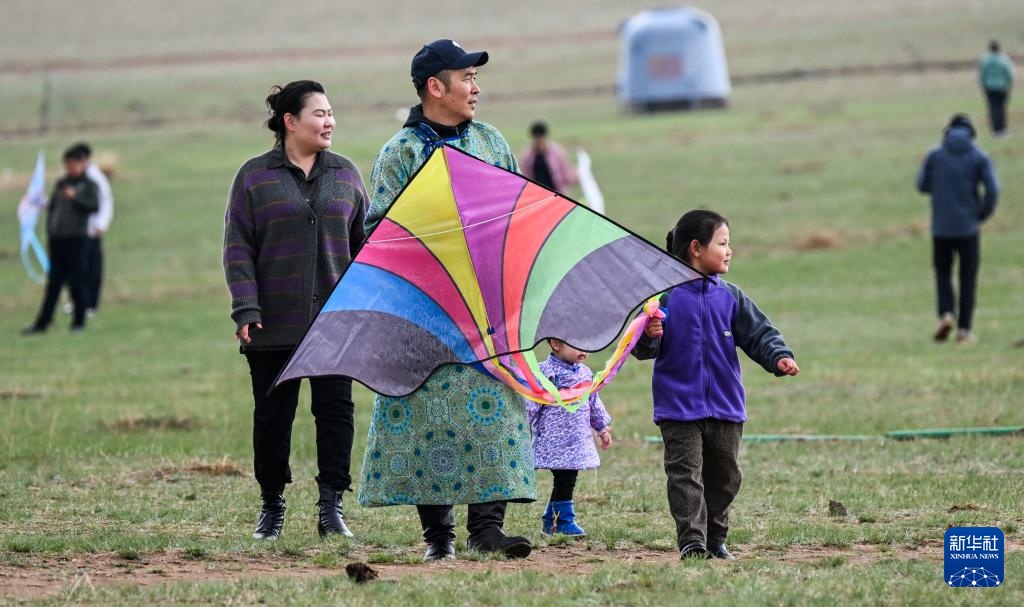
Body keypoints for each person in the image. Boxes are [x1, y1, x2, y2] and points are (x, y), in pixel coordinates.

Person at [358, 39, 535, 562]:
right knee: (425, 415)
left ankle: (488, 529)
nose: (476, 88)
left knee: (497, 411)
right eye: (466, 78)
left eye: (476, 79)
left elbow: (519, 210)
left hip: (489, 305)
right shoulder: (400, 154)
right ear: (436, 87)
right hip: (424, 309)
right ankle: (439, 537)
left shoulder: (491, 141)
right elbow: (379, 231)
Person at [223, 80, 367, 541]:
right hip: (272, 320)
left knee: (335, 414)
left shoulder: (346, 174)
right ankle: (271, 506)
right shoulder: (254, 177)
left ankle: (331, 507)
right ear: (290, 122)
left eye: (330, 114)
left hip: (334, 321)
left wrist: (364, 308)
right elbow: (237, 247)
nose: (329, 122)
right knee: (272, 418)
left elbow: (364, 247)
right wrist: (246, 307)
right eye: (319, 114)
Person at [632, 210, 799, 560]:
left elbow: (759, 334)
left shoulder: (732, 297)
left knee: (726, 477)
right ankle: (692, 541)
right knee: (685, 475)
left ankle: (715, 539)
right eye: (722, 243)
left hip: (725, 405)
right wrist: (649, 336)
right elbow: (642, 349)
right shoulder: (664, 299)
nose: (729, 250)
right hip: (678, 407)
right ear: (696, 248)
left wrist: (777, 356)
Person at [916, 114, 999, 344]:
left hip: (941, 228)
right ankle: (964, 330)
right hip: (968, 228)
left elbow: (921, 185)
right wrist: (981, 214)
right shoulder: (979, 156)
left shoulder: (935, 155)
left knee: (943, 274)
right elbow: (993, 190)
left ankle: (946, 314)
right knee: (967, 278)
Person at [526, 339, 612, 537]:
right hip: (554, 440)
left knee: (565, 479)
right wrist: (522, 424)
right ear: (556, 344)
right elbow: (532, 402)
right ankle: (564, 521)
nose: (584, 350)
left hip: (576, 439)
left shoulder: (585, 372)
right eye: (577, 345)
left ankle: (551, 521)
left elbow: (593, 402)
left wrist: (602, 428)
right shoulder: (545, 373)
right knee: (565, 479)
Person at [22, 145, 99, 334]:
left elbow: (93, 206)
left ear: (81, 164)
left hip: (77, 240)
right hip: (58, 240)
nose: (70, 168)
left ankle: (78, 322)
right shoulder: (61, 184)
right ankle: (42, 324)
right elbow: (54, 208)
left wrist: (76, 197)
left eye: (74, 164)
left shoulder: (88, 185)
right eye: (67, 164)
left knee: (76, 281)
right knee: (54, 283)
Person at [518, 121, 578, 193]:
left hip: (557, 193)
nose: (539, 141)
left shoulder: (557, 153)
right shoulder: (527, 156)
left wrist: (578, 174)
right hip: (538, 195)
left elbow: (565, 174)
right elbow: (525, 177)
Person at [978, 40, 1014, 136]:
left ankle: (994, 129)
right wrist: (1009, 84)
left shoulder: (985, 60)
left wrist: (982, 85)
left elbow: (982, 74)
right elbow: (1009, 73)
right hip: (1002, 87)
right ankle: (1002, 128)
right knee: (1002, 107)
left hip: (989, 87)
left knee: (993, 107)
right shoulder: (1004, 59)